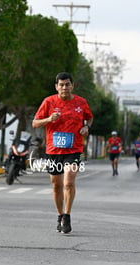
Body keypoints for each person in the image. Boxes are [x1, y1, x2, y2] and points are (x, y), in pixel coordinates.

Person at [32, 72, 93, 234]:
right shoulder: (49, 102)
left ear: (72, 86)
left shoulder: (81, 103)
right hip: (53, 150)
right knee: (56, 185)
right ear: (56, 87)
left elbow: (89, 118)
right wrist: (49, 119)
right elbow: (35, 123)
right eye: (61, 85)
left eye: (67, 84)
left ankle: (67, 215)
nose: (64, 87)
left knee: (69, 182)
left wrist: (87, 127)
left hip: (75, 150)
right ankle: (60, 214)